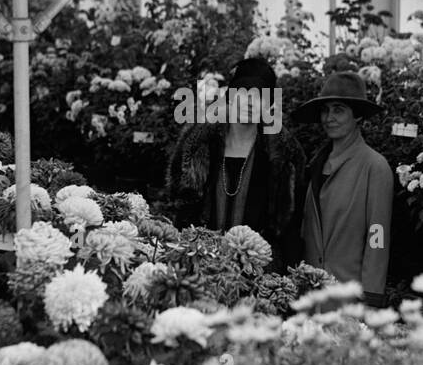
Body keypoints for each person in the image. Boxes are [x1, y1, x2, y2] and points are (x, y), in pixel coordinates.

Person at [166, 56, 307, 265]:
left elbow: (288, 227)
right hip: (200, 265)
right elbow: (181, 213)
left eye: (260, 96)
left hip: (259, 271)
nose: (250, 101)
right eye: (243, 93)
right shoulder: (199, 145)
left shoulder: (283, 156)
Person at [293, 70, 394, 306]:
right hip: (310, 298)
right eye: (325, 110)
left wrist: (370, 299)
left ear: (357, 116)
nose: (329, 117)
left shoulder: (374, 167)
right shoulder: (316, 164)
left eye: (338, 110)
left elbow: (377, 238)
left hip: (349, 300)